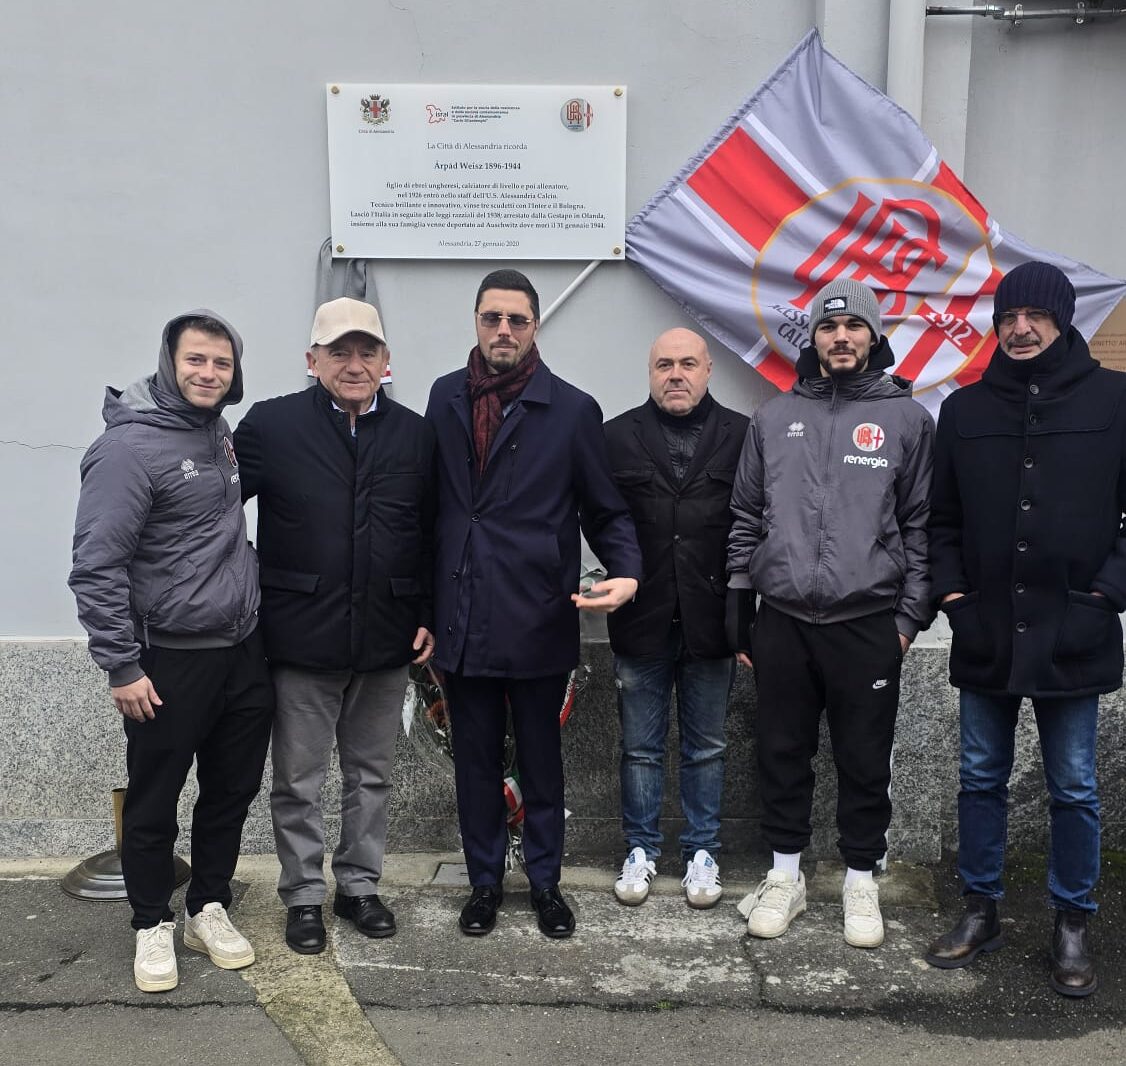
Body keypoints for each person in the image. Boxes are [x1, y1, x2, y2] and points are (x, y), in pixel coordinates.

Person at [925, 261, 1126, 997]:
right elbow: (941, 520)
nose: (1020, 329)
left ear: (1062, 321)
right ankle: (981, 909)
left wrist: (1105, 596)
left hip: (1077, 629)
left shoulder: (1115, 399)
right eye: (1008, 317)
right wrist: (954, 599)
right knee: (980, 778)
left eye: (1035, 316)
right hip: (986, 630)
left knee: (1074, 786)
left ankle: (1072, 921)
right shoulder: (965, 409)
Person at [425, 268, 642, 939]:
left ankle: (546, 882)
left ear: (535, 327)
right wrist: (419, 608)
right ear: (476, 322)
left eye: (516, 320)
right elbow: (427, 505)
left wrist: (627, 572)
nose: (504, 330)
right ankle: (484, 882)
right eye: (492, 318)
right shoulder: (444, 397)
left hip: (537, 614)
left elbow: (606, 510)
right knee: (475, 765)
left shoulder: (572, 410)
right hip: (461, 616)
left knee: (542, 763)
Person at [727, 278, 933, 949]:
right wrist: (741, 602)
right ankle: (784, 875)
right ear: (812, 338)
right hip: (784, 619)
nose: (840, 338)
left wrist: (906, 621)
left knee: (864, 758)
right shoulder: (774, 418)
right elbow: (746, 516)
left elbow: (922, 525)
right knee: (781, 751)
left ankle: (859, 879)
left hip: (867, 622)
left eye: (853, 327)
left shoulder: (907, 420)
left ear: (873, 337)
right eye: (828, 327)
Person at [69, 311, 272, 993]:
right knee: (156, 798)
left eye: (221, 363)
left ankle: (206, 906)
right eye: (196, 360)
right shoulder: (126, 449)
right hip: (169, 658)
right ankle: (150, 921)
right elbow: (97, 565)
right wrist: (121, 665)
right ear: (169, 362)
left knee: (231, 790)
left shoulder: (217, 434)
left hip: (241, 651)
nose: (209, 373)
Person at [234, 298, 435, 954]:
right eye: (339, 352)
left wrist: (428, 613)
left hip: (386, 636)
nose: (354, 365)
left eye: (366, 352)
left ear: (385, 361)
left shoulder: (415, 434)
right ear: (312, 359)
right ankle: (302, 895)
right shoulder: (271, 426)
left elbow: (431, 533)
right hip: (300, 636)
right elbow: (212, 511)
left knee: (371, 776)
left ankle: (359, 886)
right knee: (299, 780)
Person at [603, 328, 747, 909]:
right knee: (639, 747)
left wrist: (746, 616)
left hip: (712, 619)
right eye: (664, 364)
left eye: (688, 363)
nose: (676, 374)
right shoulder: (616, 436)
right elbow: (601, 517)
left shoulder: (742, 435)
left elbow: (754, 521)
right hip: (641, 617)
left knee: (706, 746)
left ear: (708, 370)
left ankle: (701, 852)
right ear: (650, 372)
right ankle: (640, 848)